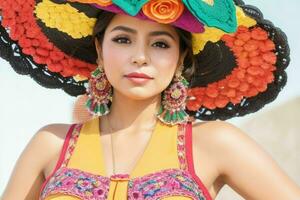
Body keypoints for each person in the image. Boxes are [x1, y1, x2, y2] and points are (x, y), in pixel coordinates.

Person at [0, 0, 299, 199]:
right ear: (99, 48)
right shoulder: (49, 144)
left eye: (159, 43)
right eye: (122, 39)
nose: (140, 57)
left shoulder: (215, 143)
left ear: (181, 56)